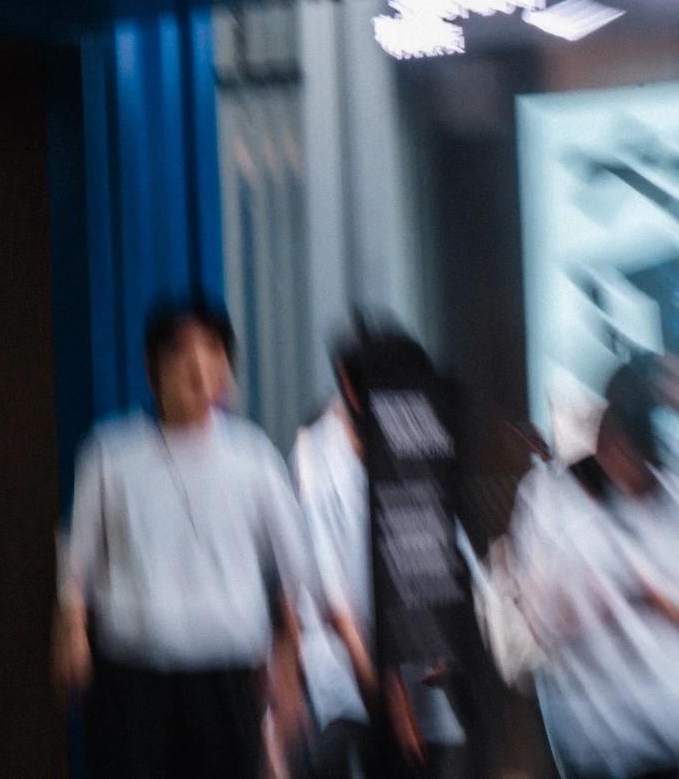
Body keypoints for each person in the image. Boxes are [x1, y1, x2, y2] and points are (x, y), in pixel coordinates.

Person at [54, 296, 314, 779]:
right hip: (132, 680)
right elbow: (77, 562)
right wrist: (72, 633)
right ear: (152, 366)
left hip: (227, 675)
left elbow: (293, 577)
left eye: (213, 351)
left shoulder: (254, 457)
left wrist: (289, 672)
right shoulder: (110, 454)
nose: (198, 368)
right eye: (182, 352)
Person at [291, 325, 469, 779]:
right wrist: (388, 702)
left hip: (422, 695)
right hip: (351, 694)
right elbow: (336, 608)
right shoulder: (316, 459)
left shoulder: (414, 436)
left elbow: (448, 556)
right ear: (351, 389)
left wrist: (443, 645)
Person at [508, 361, 679, 779]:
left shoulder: (670, 494)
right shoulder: (552, 499)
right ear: (610, 437)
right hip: (603, 745)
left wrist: (654, 597)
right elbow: (537, 623)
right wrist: (612, 593)